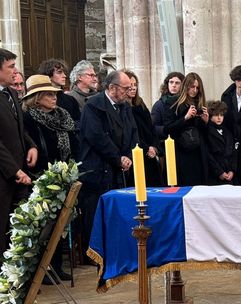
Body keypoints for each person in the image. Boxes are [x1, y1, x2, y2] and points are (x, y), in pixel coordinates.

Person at [22, 74, 78, 281]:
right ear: (36, 98)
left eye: (54, 94)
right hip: (42, 177)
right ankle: (42, 270)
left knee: (60, 225)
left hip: (64, 175)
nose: (54, 98)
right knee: (44, 226)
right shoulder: (28, 118)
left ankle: (56, 266)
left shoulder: (63, 116)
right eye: (48, 94)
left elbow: (73, 141)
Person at [78, 70, 138, 257]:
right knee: (95, 212)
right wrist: (117, 158)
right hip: (98, 168)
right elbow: (96, 137)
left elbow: (132, 133)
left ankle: (115, 249)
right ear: (112, 88)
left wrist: (128, 155)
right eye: (126, 88)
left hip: (118, 168)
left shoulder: (125, 106)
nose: (129, 92)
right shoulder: (94, 106)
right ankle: (95, 253)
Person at [0, 48, 37, 256]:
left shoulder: (12, 93)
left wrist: (31, 145)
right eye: (11, 67)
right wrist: (14, 170)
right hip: (5, 175)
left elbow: (19, 128)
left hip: (20, 174)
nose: (15, 72)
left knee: (18, 229)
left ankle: (18, 276)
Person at [163, 72, 209, 186]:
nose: (194, 90)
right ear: (186, 86)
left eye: (197, 88)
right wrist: (185, 118)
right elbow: (167, 129)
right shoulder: (173, 102)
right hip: (180, 151)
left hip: (198, 152)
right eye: (192, 87)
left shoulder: (200, 104)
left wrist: (206, 121)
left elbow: (204, 133)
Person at [123, 69, 162, 187]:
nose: (133, 88)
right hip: (137, 153)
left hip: (150, 153)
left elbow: (151, 127)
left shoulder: (140, 104)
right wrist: (146, 148)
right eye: (130, 85)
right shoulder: (123, 108)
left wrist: (154, 147)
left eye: (135, 85)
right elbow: (132, 132)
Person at [205, 100, 235, 185]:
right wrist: (219, 172)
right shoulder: (207, 131)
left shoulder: (227, 132)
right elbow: (208, 155)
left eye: (221, 115)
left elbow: (233, 153)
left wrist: (232, 170)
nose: (219, 118)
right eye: (216, 115)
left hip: (229, 173)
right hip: (214, 175)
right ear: (210, 116)